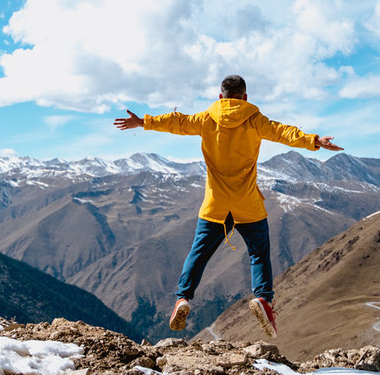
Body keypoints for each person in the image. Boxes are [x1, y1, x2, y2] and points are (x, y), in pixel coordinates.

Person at [113, 74, 343, 338]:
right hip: (247, 202)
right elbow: (284, 133)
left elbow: (177, 122)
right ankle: (264, 300)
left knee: (198, 254)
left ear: (220, 97)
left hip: (216, 203)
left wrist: (143, 122)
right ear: (245, 97)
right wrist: (314, 141)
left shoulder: (206, 119)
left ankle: (183, 298)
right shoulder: (256, 120)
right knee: (258, 253)